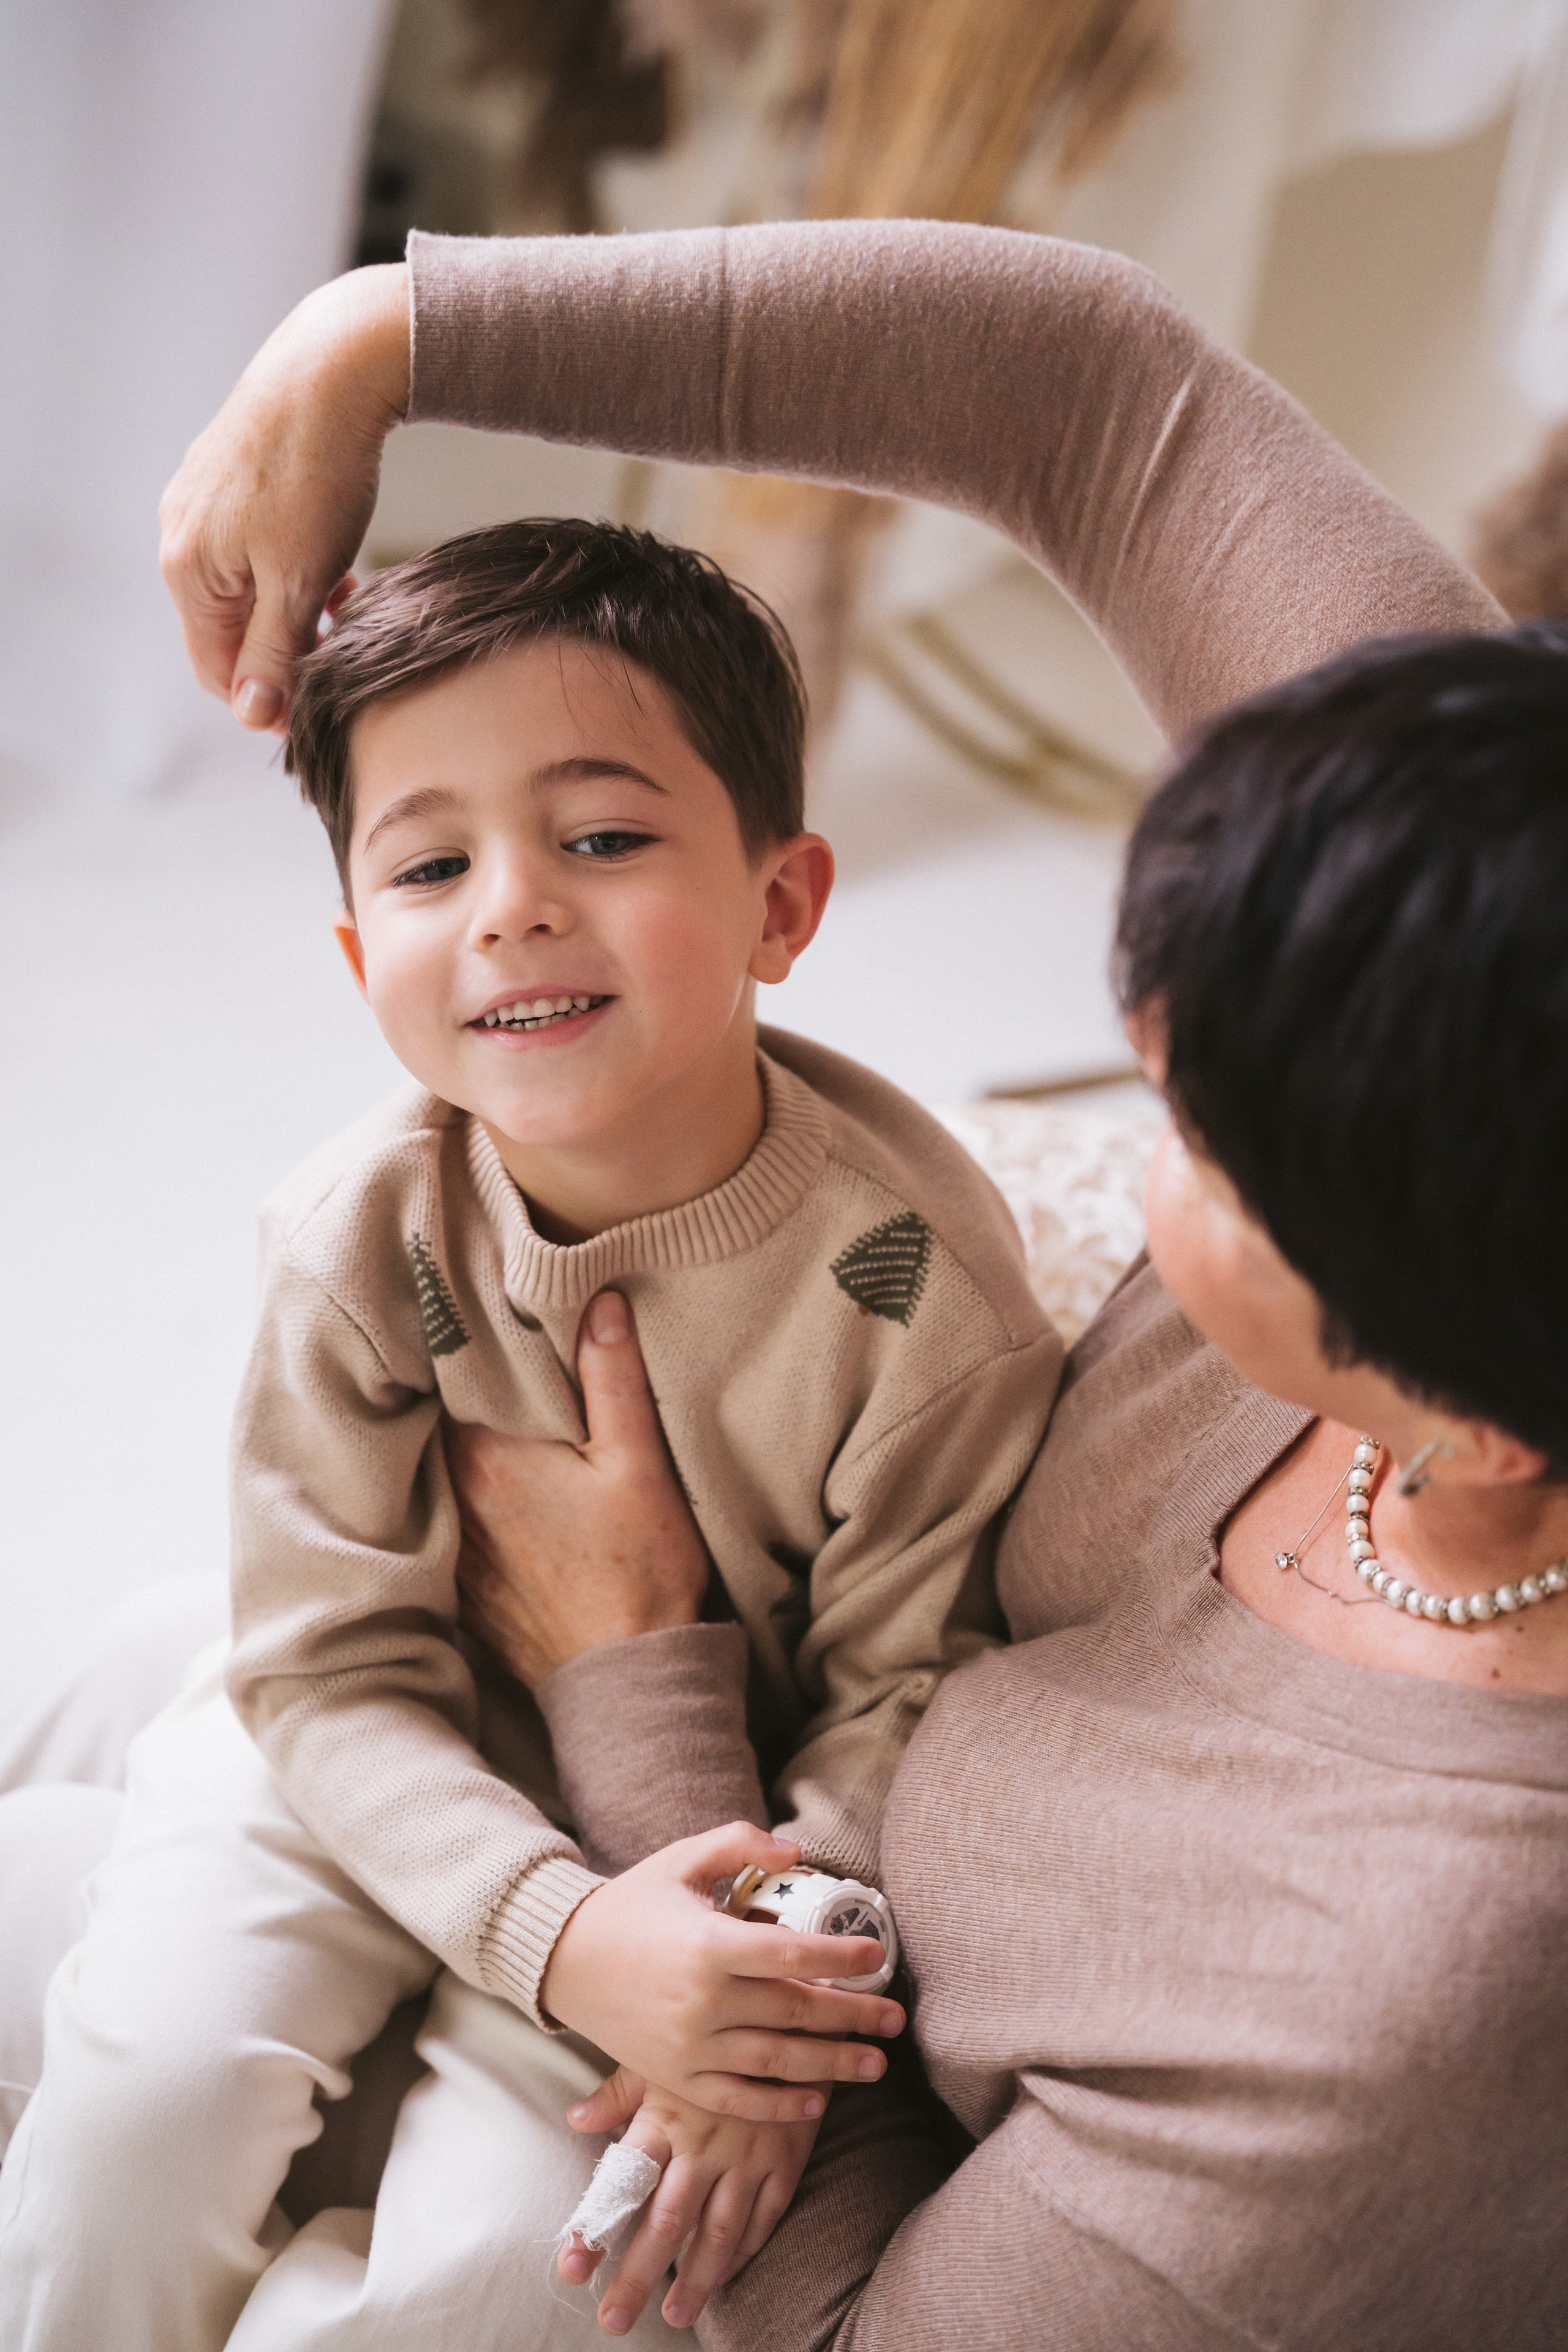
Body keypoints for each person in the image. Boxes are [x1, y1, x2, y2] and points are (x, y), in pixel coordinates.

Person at [0, 514, 1061, 2351]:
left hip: (669, 1840)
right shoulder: (355, 1240)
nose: (512, 904)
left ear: (784, 903)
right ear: (361, 952)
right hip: (360, 1748)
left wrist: (754, 1997)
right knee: (141, 2128)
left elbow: (914, 1697)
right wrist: (543, 1932)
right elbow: (327, 1673)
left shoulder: (918, 1285)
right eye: (431, 866)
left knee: (515, 2284)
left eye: (605, 836)